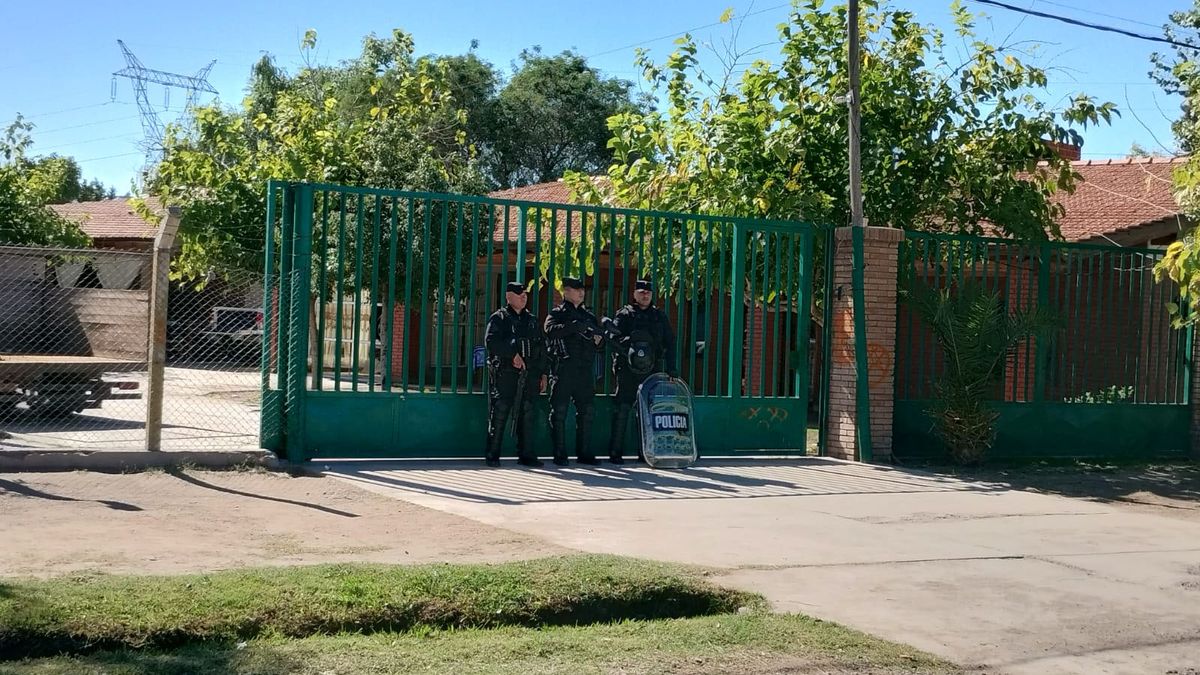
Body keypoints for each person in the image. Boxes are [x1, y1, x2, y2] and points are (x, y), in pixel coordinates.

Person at [607, 279, 677, 464]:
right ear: (634, 294)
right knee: (622, 408)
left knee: (647, 411)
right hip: (627, 370)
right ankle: (615, 452)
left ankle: (644, 452)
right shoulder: (625, 314)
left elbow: (670, 342)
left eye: (648, 292)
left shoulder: (658, 316)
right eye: (641, 292)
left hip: (651, 369)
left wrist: (672, 368)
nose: (645, 295)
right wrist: (630, 343)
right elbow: (613, 338)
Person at [483, 281, 545, 468]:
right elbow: (491, 341)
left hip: (529, 375)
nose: (524, 297)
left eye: (525, 294)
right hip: (506, 374)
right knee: (500, 412)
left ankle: (526, 455)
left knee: (527, 413)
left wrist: (543, 373)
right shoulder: (500, 318)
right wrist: (512, 354)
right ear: (509, 297)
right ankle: (493, 455)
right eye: (519, 294)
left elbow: (541, 348)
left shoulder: (531, 320)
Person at [544, 277, 604, 466]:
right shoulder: (558, 313)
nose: (581, 293)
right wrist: (572, 327)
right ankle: (560, 453)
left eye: (582, 290)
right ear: (566, 292)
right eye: (576, 289)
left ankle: (584, 452)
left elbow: (599, 341)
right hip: (564, 368)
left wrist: (598, 340)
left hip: (584, 370)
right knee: (559, 411)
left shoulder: (588, 316)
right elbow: (549, 331)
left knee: (587, 411)